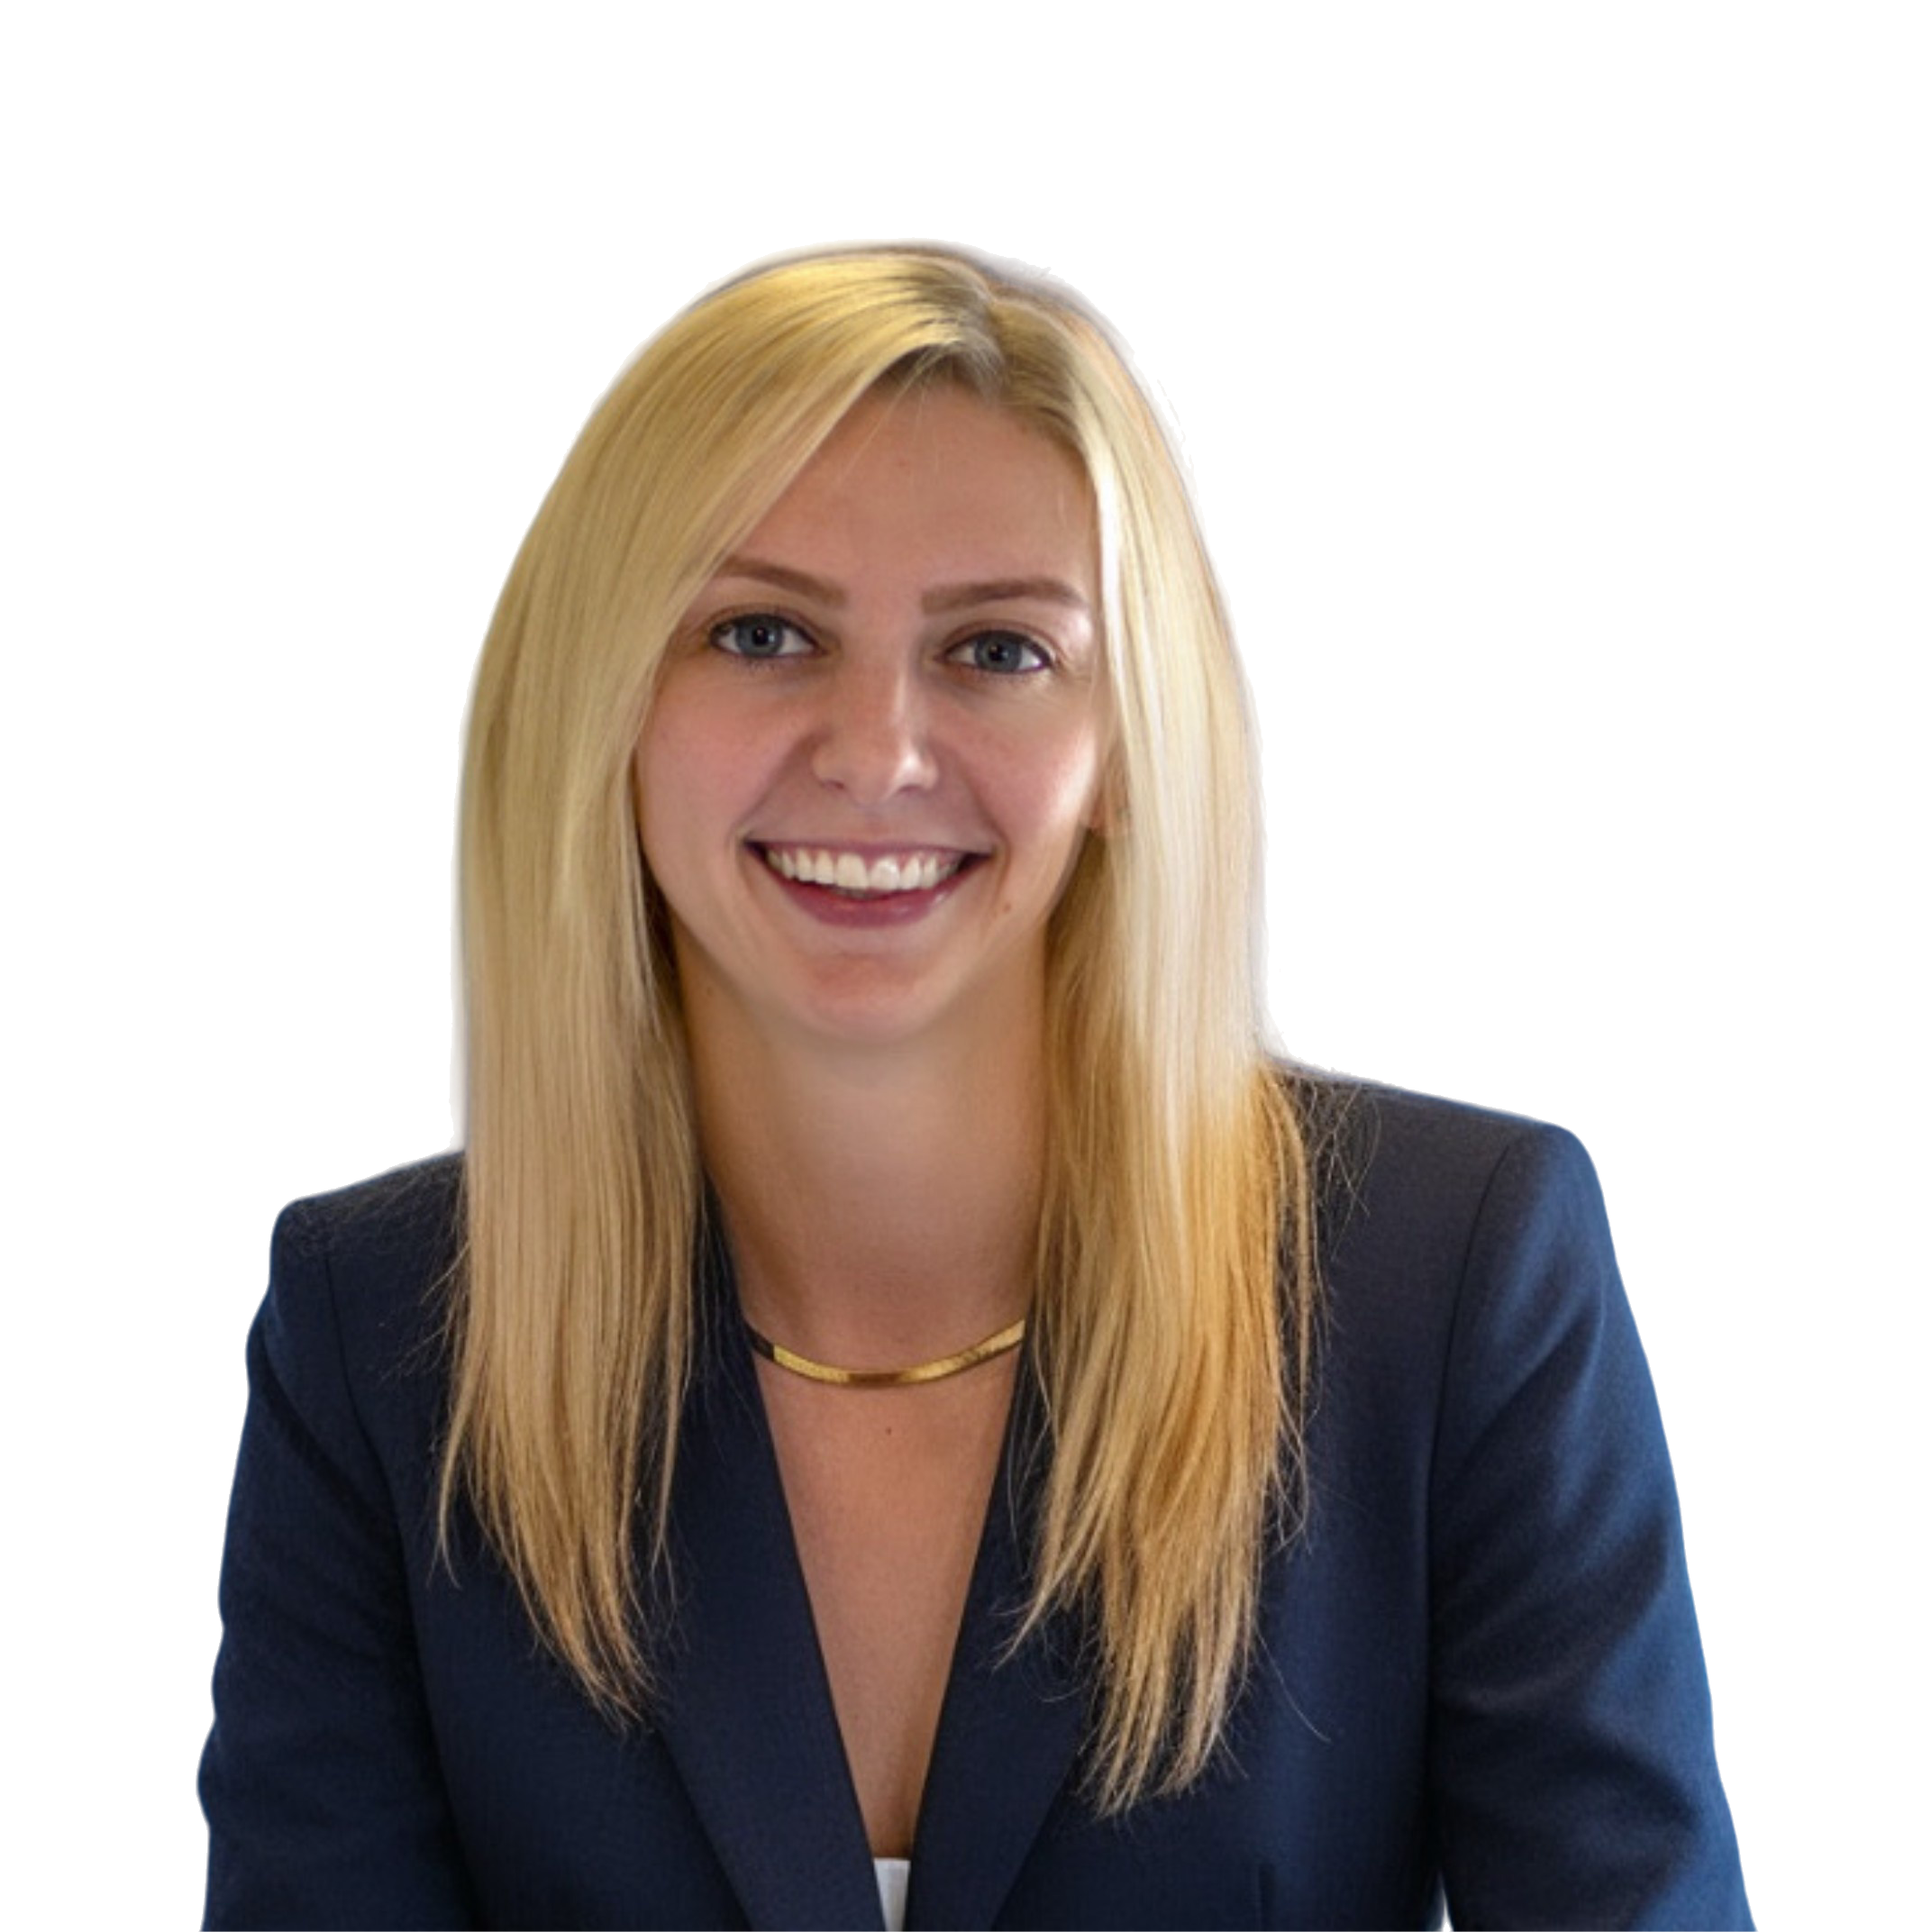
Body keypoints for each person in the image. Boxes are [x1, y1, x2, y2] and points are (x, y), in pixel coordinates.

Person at [198, 240, 1754, 1929]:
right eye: (762, 629)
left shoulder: (1452, 1280)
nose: (877, 751)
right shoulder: (381, 1330)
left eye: (998, 650)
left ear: (1129, 742)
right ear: (602, 706)